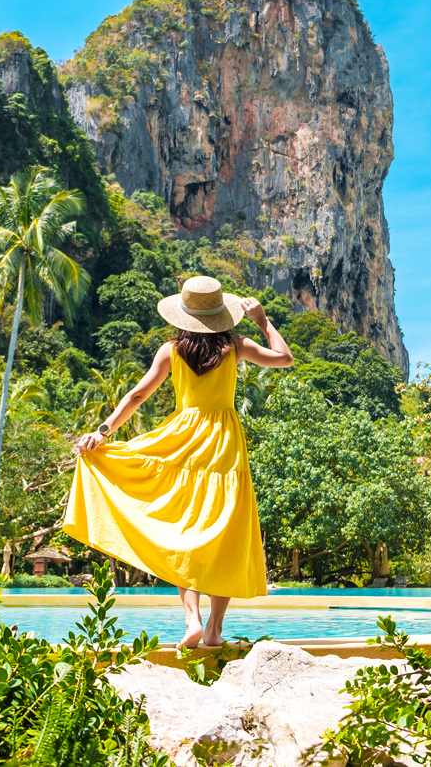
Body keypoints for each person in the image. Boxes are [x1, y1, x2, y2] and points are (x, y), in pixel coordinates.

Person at [63, 275, 294, 648]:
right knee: (226, 535)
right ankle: (215, 629)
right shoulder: (236, 345)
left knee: (179, 530)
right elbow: (284, 358)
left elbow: (138, 394)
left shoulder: (171, 350)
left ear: (182, 315)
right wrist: (264, 322)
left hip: (181, 442)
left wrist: (103, 432)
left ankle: (192, 621)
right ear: (222, 314)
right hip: (224, 445)